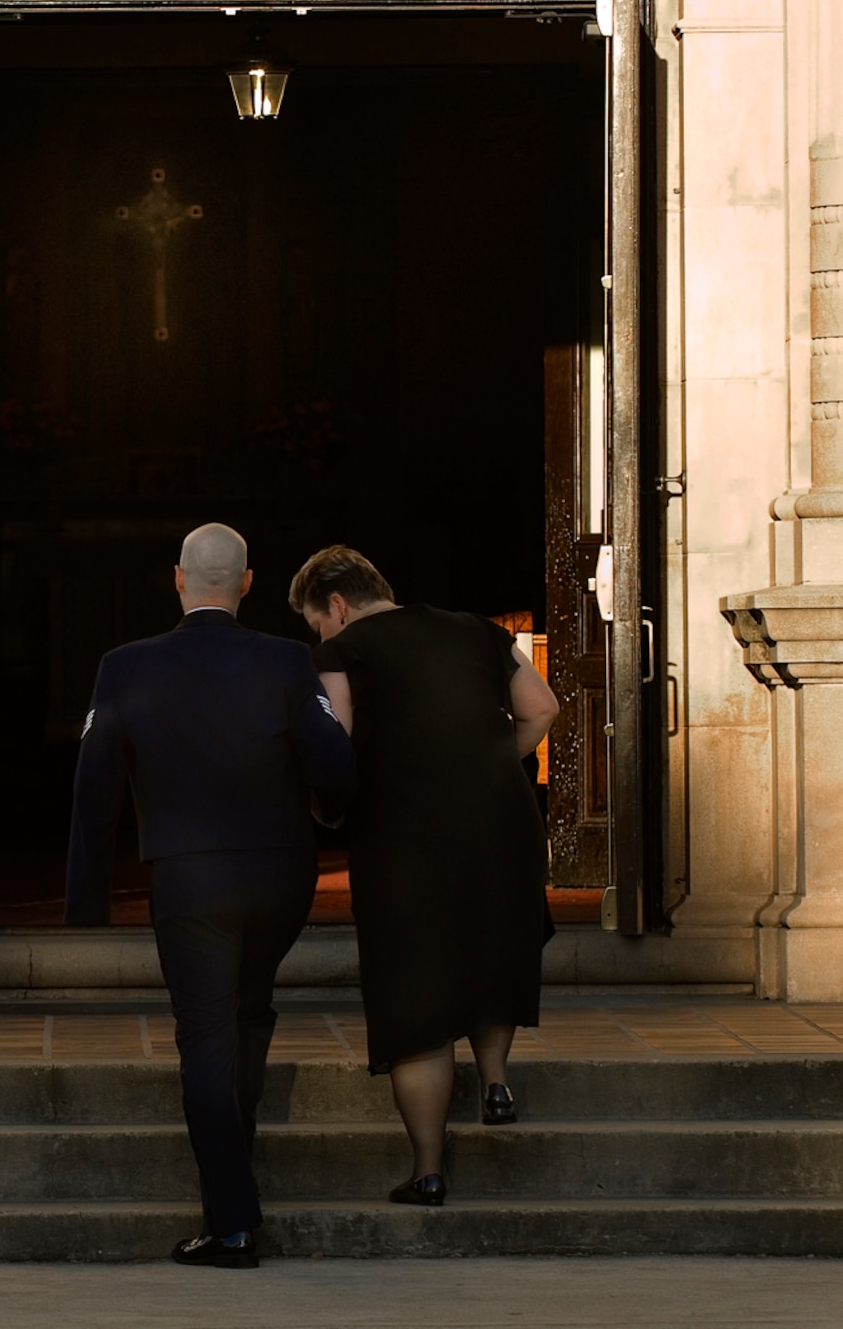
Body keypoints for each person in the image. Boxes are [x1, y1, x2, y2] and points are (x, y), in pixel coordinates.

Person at [65, 522, 356, 1269]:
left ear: (178, 579)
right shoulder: (290, 660)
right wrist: (325, 817)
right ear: (249, 583)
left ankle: (230, 1225)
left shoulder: (125, 667)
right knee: (248, 1017)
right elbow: (336, 765)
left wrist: (84, 906)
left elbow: (94, 786)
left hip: (192, 878)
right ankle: (236, 1180)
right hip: (282, 875)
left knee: (205, 1036)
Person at [288, 543, 558, 1208]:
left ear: (338, 606)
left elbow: (335, 747)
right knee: (492, 949)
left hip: (405, 833)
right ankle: (496, 1081)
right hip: (502, 818)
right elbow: (542, 707)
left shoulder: (343, 650)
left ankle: (429, 1170)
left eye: (316, 623)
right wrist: (488, 760)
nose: (318, 636)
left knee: (415, 1000)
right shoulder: (478, 631)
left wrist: (327, 810)